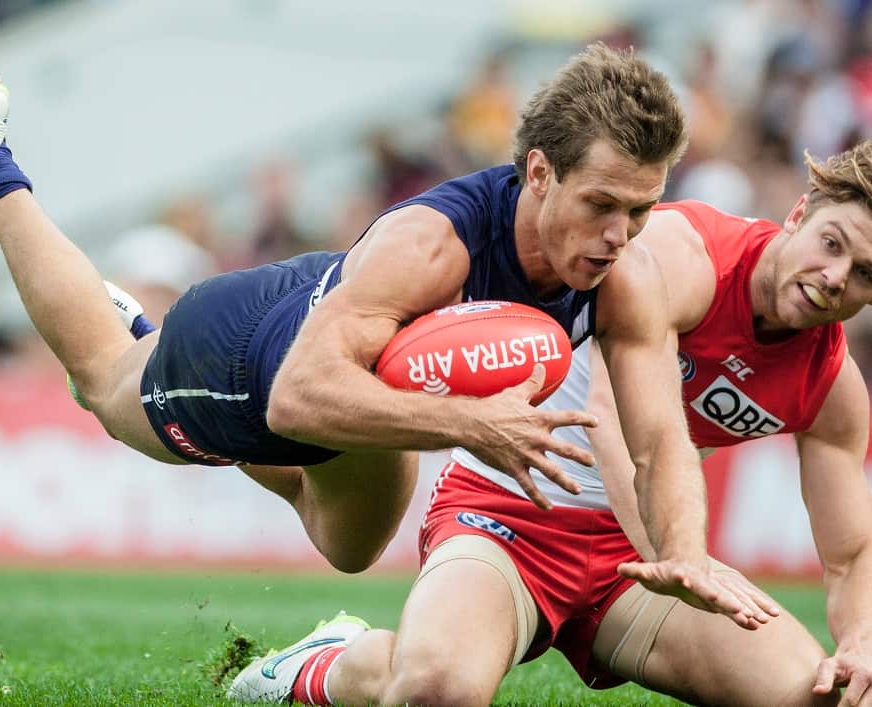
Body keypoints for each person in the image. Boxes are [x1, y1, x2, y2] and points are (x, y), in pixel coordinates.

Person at [0, 45, 767, 618]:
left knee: (348, 549)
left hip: (355, 347)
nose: (621, 233)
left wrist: (689, 554)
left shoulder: (618, 270)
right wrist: (475, 425)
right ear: (538, 174)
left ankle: (145, 339)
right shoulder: (433, 243)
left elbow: (658, 439)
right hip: (251, 350)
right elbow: (296, 397)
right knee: (103, 384)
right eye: (601, 204)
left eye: (641, 209)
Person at [230, 142, 872, 706]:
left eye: (864, 272)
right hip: (509, 511)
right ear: (798, 214)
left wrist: (860, 644)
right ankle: (327, 661)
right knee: (436, 691)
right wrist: (678, 556)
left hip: (634, 554)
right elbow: (622, 427)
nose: (835, 278)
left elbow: (850, 554)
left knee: (819, 695)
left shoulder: (833, 389)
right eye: (832, 243)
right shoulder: (684, 258)